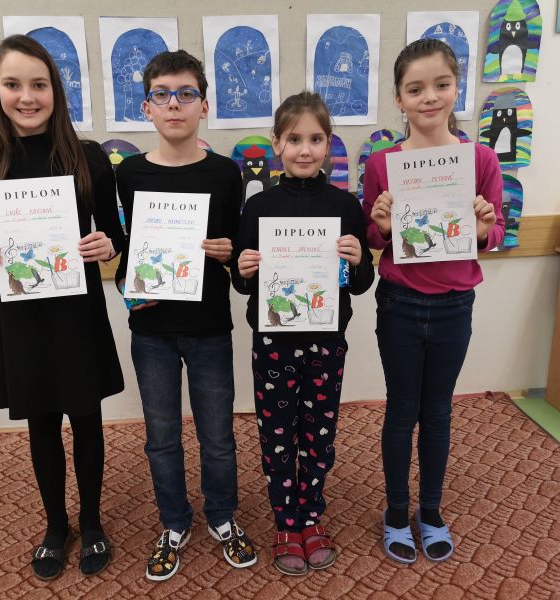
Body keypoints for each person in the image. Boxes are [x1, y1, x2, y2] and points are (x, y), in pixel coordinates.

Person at [0, 35, 124, 580]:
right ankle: (56, 526)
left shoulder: (88, 157)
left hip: (76, 311)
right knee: (42, 423)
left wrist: (106, 245)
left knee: (86, 418)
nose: (26, 97)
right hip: (22, 315)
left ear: (56, 90)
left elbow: (115, 234)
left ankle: (92, 522)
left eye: (38, 84)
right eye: (13, 84)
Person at [113, 50, 256, 582]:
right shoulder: (128, 174)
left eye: (186, 94)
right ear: (146, 107)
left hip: (209, 325)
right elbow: (127, 251)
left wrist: (228, 253)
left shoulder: (225, 173)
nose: (174, 104)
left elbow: (238, 250)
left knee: (217, 435)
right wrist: (128, 288)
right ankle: (174, 522)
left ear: (204, 106)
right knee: (161, 437)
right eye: (162, 94)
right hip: (151, 329)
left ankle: (222, 515)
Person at [362, 38, 504, 564]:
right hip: (399, 303)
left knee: (438, 411)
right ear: (398, 99)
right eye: (415, 89)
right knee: (402, 409)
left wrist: (484, 228)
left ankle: (432, 510)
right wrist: (380, 226)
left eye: (441, 85)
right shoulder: (383, 164)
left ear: (456, 88)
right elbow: (373, 237)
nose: (429, 97)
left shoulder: (480, 159)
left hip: (453, 304)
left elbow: (495, 234)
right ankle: (397, 511)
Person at [234, 91, 374, 575]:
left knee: (318, 434)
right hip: (273, 343)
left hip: (326, 341)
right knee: (276, 434)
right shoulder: (258, 208)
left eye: (315, 139)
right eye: (294, 139)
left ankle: (311, 515)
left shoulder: (345, 206)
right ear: (277, 143)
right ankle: (285, 522)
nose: (304, 149)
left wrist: (359, 260)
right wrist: (244, 268)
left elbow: (358, 284)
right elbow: (242, 282)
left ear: (328, 144)